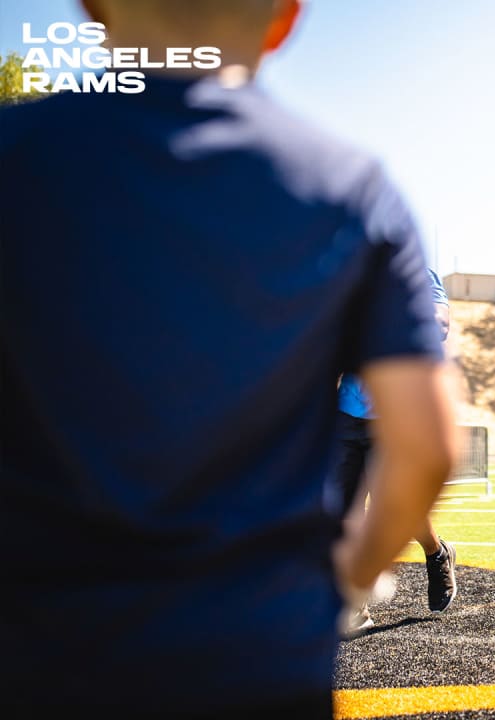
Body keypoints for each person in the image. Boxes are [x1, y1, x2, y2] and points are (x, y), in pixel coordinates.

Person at [0, 1, 458, 717]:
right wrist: (348, 577)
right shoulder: (351, 189)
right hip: (256, 657)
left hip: (37, 651)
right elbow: (428, 446)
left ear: (91, 8)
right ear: (287, 19)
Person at [338, 268, 458, 634]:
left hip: (394, 411)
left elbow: (438, 323)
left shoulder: (414, 270)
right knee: (343, 506)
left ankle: (437, 553)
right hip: (345, 411)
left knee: (399, 504)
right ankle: (354, 606)